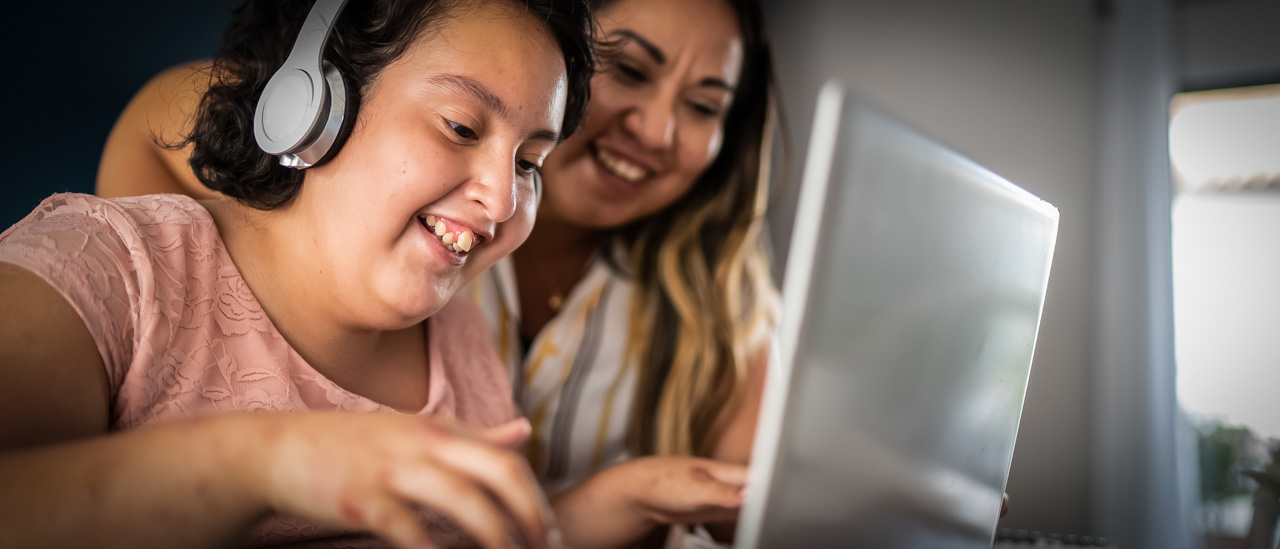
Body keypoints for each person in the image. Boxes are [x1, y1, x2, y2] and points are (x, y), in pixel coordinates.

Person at [98, 0, 779, 546]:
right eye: (629, 70)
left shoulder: (715, 295)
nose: (658, 130)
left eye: (703, 107)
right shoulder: (131, 261)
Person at [0, 0, 595, 548]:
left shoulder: (465, 343)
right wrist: (270, 464)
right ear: (311, 107)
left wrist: (595, 513)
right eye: (461, 128)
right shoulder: (108, 264)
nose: (503, 202)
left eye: (528, 163)